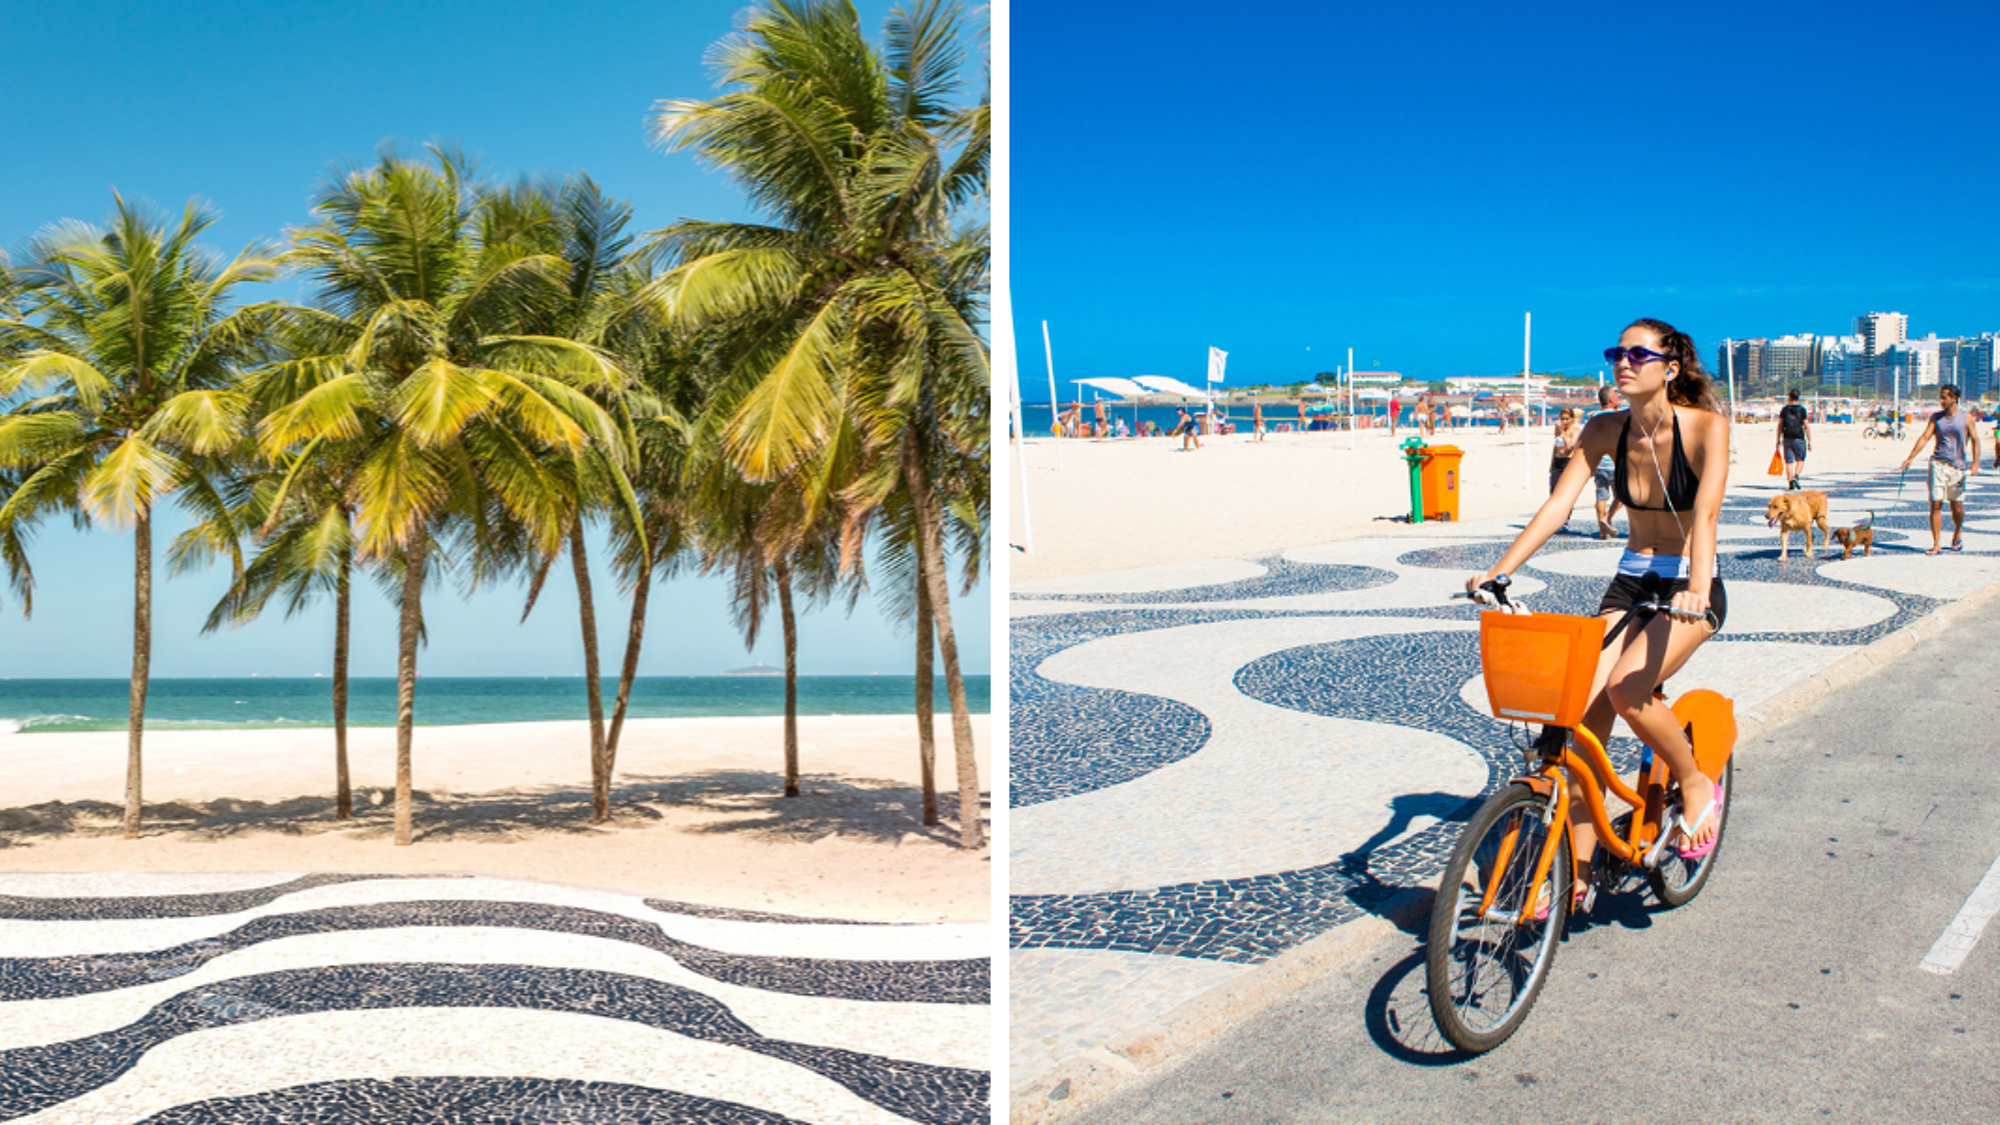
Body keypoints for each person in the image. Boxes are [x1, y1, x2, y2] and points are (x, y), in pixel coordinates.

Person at [1467, 317, 1730, 910]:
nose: (1624, 361)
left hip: (1690, 581)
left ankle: (1693, 783)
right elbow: (1558, 505)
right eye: (1618, 352)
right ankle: (1578, 876)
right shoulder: (1605, 429)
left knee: (1627, 687)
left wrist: (1697, 584)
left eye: (1640, 353)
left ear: (1672, 365)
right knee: (1581, 720)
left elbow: (1707, 517)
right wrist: (1499, 570)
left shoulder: (1706, 428)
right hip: (1632, 581)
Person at [1899, 383, 1981, 554]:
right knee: (1935, 504)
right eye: (1941, 397)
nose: (1941, 400)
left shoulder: (1966, 418)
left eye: (1944, 397)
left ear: (1954, 398)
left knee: (1956, 506)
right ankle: (1936, 543)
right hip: (1937, 464)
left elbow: (1975, 440)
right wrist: (1910, 458)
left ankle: (1957, 533)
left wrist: (1975, 463)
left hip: (1957, 467)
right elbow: (1924, 438)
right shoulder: (1936, 418)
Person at [1591, 384, 1625, 538]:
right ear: (1611, 399)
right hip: (1615, 462)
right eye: (1616, 395)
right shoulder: (1618, 417)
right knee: (1623, 494)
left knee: (1601, 496)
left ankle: (1602, 532)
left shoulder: (1594, 417)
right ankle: (1608, 518)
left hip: (1599, 463)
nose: (1618, 398)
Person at [1776, 389, 1811, 490]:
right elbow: (1806, 426)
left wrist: (1778, 439)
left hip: (1787, 437)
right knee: (1800, 459)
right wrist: (1809, 441)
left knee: (1789, 461)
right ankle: (1796, 476)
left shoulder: (1785, 409)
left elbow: (1780, 425)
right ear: (1798, 397)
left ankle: (1790, 482)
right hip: (1799, 437)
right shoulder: (1802, 410)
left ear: (1789, 397)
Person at [1549, 407, 1582, 496]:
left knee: (1567, 492)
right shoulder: (1558, 429)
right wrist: (1552, 464)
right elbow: (1555, 447)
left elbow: (1569, 448)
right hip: (1557, 461)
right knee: (1554, 492)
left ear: (1572, 419)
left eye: (1567, 419)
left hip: (1568, 461)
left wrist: (1563, 434)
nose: (1564, 421)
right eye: (1562, 419)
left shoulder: (1575, 431)